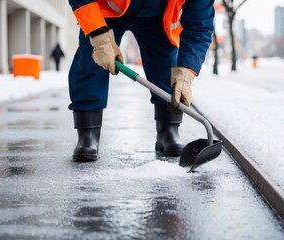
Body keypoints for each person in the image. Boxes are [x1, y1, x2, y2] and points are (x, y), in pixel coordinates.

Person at [68, 0, 215, 161]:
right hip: (106, 8)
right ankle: (87, 135)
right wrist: (98, 36)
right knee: (91, 62)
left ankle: (168, 131)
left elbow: (199, 25)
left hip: (157, 15)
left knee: (166, 67)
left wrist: (187, 71)